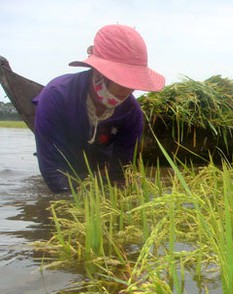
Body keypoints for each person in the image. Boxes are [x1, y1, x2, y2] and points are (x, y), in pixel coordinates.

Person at [33, 24, 165, 193]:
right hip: (64, 157)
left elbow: (120, 173)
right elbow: (53, 171)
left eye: (134, 82)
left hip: (99, 160)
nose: (130, 89)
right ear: (99, 72)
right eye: (123, 79)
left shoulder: (132, 115)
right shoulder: (56, 96)